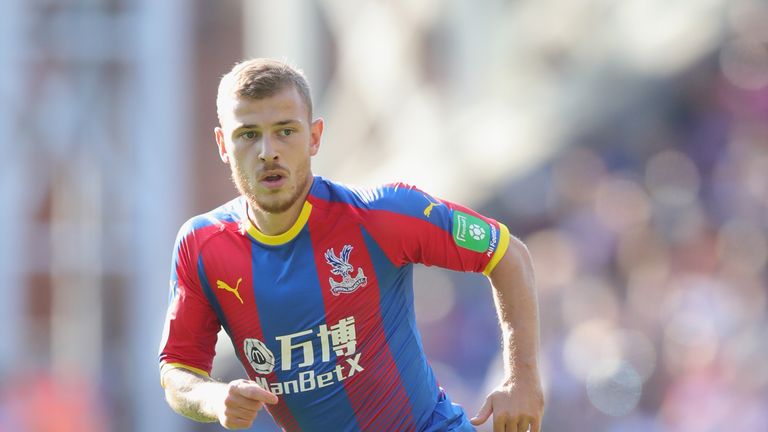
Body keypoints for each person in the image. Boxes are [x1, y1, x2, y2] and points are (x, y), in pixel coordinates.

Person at [158, 58, 544, 432]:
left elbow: (507, 254)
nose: (268, 151)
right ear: (223, 143)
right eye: (248, 134)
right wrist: (214, 398)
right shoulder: (201, 246)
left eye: (285, 131)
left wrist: (522, 379)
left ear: (314, 137)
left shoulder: (381, 214)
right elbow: (177, 370)